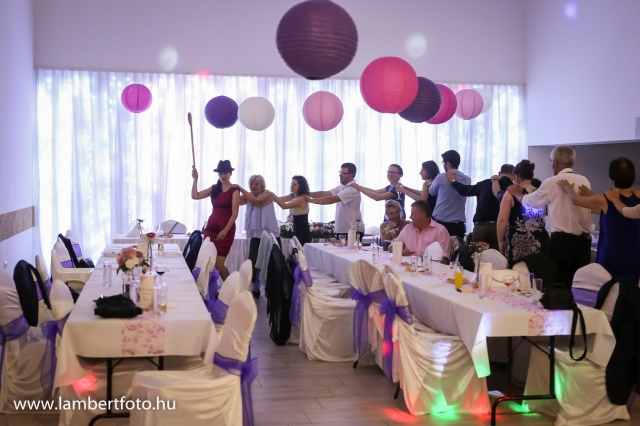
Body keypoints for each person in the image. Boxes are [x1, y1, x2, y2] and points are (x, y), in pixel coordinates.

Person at [508, 146, 593, 287]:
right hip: (583, 243)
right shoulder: (584, 180)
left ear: (555, 162)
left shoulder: (552, 182)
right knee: (577, 285)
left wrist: (517, 194)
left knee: (559, 284)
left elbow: (532, 202)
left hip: (563, 243)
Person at [557, 158, 640, 283]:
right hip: (633, 256)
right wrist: (591, 193)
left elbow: (576, 200)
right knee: (629, 290)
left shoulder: (606, 198)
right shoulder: (637, 197)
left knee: (607, 290)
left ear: (612, 179)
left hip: (610, 256)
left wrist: (569, 188)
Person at [191, 160, 240, 281]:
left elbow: (235, 213)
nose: (223, 175)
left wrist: (225, 231)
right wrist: (195, 179)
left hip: (226, 229)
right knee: (208, 261)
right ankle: (211, 289)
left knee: (218, 263)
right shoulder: (214, 188)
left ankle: (233, 289)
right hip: (211, 228)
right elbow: (195, 196)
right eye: (220, 173)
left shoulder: (235, 190)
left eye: (225, 173)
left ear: (230, 173)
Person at [448, 163, 514, 250]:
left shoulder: (484, 184)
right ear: (514, 176)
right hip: (500, 230)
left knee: (477, 256)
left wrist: (453, 181)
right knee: (498, 257)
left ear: (499, 173)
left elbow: (465, 190)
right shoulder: (513, 189)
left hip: (481, 228)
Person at [234, 175, 280, 298]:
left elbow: (257, 202)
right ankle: (255, 289)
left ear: (262, 185)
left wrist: (241, 189)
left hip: (270, 234)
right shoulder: (249, 196)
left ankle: (271, 289)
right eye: (251, 183)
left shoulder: (267, 194)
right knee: (253, 261)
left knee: (271, 262)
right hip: (255, 234)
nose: (253, 186)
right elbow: (235, 201)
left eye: (256, 184)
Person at [497, 160, 550, 265]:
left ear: (516, 177)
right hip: (540, 241)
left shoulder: (511, 193)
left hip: (518, 243)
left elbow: (502, 219)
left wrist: (500, 241)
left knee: (518, 271)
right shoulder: (540, 193)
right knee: (538, 270)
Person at [306, 162, 363, 240]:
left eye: (343, 173)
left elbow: (331, 199)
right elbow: (327, 194)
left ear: (351, 175)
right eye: (340, 172)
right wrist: (307, 193)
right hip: (343, 229)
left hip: (352, 230)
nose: (340, 175)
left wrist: (309, 200)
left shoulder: (353, 189)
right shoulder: (343, 186)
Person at [428, 150, 471, 239]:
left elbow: (432, 192)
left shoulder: (441, 177)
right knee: (456, 247)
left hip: (441, 223)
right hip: (458, 225)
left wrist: (430, 184)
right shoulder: (467, 179)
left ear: (447, 163)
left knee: (437, 247)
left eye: (443, 162)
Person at [268, 176, 312, 246]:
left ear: (301, 186)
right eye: (291, 184)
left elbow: (284, 206)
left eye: (295, 184)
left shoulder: (301, 198)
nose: (292, 186)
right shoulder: (293, 196)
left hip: (303, 233)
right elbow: (279, 199)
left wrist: (272, 194)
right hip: (296, 230)